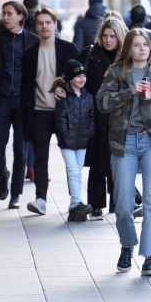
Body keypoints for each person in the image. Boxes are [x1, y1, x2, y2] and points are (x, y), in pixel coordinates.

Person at [96, 28, 151, 277]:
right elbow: (101, 103)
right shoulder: (116, 72)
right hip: (123, 144)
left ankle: (150, 256)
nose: (142, 49)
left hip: (150, 143)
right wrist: (129, 92)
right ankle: (127, 245)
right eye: (137, 45)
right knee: (122, 204)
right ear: (128, 48)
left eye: (145, 45)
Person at [20, 8, 80, 217]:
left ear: (55, 24)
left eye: (48, 22)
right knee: (40, 158)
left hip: (63, 112)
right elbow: (25, 86)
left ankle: (76, 200)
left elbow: (79, 79)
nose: (44, 27)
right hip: (39, 112)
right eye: (40, 23)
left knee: (70, 158)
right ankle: (41, 199)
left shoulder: (68, 49)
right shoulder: (29, 53)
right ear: (35, 26)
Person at [0, 1, 39, 209]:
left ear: (20, 16)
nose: (5, 17)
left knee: (20, 149)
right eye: (3, 13)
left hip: (24, 102)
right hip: (1, 99)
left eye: (9, 14)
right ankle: (2, 171)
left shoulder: (33, 41)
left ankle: (15, 194)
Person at [78, 16, 127, 217]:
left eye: (112, 36)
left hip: (120, 115)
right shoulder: (90, 54)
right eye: (105, 36)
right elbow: (73, 78)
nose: (108, 40)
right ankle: (96, 203)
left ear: (120, 37)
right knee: (98, 160)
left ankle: (117, 200)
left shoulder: (126, 57)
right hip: (96, 115)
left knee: (117, 158)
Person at [53, 60, 96, 221]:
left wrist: (89, 132)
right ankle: (77, 201)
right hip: (67, 142)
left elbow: (92, 117)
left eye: (84, 76)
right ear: (70, 78)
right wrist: (64, 134)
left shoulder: (88, 97)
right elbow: (60, 119)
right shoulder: (63, 97)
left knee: (78, 172)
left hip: (83, 140)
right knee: (72, 171)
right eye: (78, 76)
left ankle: (74, 204)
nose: (82, 79)